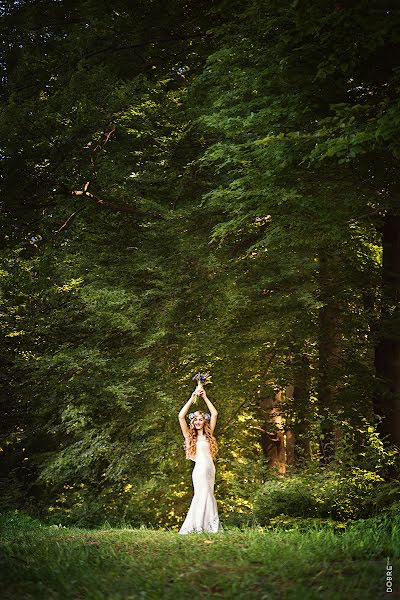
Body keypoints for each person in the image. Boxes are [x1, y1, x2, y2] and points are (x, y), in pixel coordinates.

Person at [178, 385, 223, 534]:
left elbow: (215, 413)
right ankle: (198, 526)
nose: (197, 422)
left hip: (210, 469)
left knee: (209, 494)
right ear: (193, 422)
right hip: (199, 470)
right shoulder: (190, 436)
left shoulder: (209, 434)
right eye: (195, 419)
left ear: (205, 421)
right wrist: (193, 397)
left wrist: (204, 397)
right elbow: (180, 416)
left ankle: (208, 526)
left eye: (200, 419)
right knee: (201, 495)